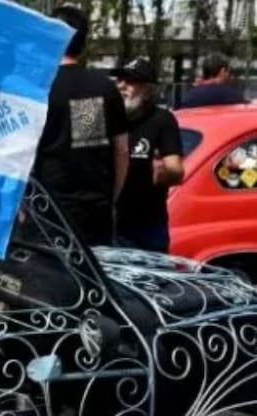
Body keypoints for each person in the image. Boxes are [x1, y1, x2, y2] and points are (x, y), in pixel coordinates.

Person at [33, 5, 129, 247]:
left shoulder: (36, 88)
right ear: (84, 43)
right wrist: (111, 198)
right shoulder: (103, 87)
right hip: (94, 210)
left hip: (46, 208)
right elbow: (120, 151)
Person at [111, 59, 185, 253]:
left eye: (130, 81)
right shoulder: (104, 117)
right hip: (108, 222)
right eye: (119, 79)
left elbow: (177, 171)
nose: (121, 85)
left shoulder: (162, 120)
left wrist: (162, 173)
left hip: (147, 226)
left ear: (148, 90)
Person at [180, 53, 248, 109]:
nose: (229, 75)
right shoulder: (232, 95)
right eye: (228, 71)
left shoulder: (189, 96)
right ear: (222, 71)